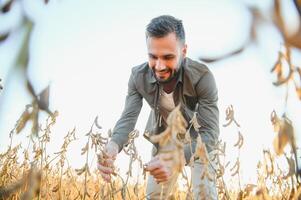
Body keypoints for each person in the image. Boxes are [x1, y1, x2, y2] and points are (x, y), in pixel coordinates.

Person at [97, 15, 219, 200]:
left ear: (184, 51)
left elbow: (210, 133)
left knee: (204, 195)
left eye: (168, 57)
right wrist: (113, 146)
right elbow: (128, 117)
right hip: (165, 141)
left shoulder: (202, 77)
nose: (160, 66)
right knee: (154, 196)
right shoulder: (138, 77)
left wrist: (176, 159)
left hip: (199, 141)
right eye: (153, 57)